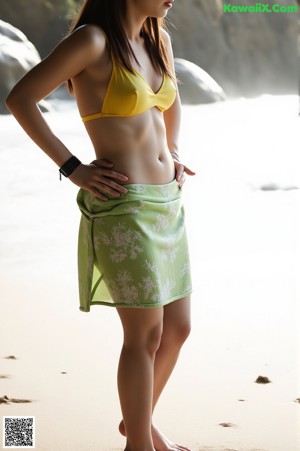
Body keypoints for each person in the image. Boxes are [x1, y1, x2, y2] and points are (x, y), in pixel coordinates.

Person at [6, 1, 195, 450]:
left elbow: (170, 109)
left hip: (168, 202)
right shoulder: (92, 41)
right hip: (122, 206)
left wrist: (175, 151)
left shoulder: (159, 41)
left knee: (178, 329)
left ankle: (137, 422)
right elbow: (20, 98)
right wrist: (72, 168)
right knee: (145, 334)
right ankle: (139, 445)